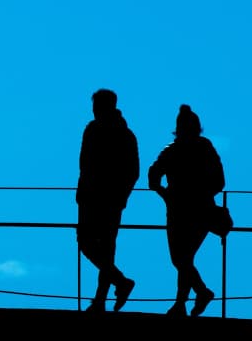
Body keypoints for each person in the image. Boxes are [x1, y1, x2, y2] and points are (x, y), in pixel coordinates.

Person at [147, 105, 224, 318]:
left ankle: (187, 300)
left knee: (181, 258)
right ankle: (192, 297)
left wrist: (165, 193)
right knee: (183, 258)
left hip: (182, 210)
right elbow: (219, 181)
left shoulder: (173, 150)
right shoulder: (201, 148)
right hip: (197, 209)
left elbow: (153, 175)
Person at [75, 88, 139, 313]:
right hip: (96, 197)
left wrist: (120, 195)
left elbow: (132, 171)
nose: (94, 111)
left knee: (97, 245)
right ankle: (115, 286)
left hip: (105, 198)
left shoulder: (121, 134)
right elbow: (84, 164)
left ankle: (103, 296)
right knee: (96, 245)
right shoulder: (99, 131)